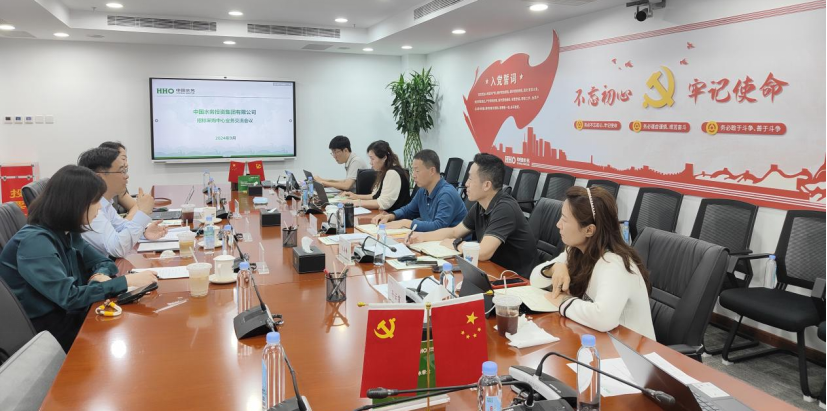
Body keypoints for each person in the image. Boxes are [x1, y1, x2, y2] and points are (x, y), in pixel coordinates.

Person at [0, 165, 159, 352]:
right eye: (95, 201)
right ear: (75, 204)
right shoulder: (35, 242)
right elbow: (69, 297)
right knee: (135, 338)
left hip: (71, 316)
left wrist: (98, 275)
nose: (99, 207)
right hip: (50, 333)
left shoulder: (68, 232)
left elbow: (105, 263)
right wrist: (126, 282)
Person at [529, 186, 655, 340]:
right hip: (600, 340)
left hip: (631, 349)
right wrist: (555, 268)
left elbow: (603, 318)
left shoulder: (614, 263)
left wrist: (562, 300)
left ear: (589, 230)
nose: (558, 224)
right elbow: (535, 279)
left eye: (565, 219)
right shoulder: (575, 250)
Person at [408, 153, 537, 277]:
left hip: (516, 279)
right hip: (492, 271)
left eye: (470, 178)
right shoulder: (480, 205)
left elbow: (483, 252)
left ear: (486, 185)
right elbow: (454, 232)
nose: (466, 184)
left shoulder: (505, 208)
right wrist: (422, 237)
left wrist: (456, 244)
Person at [78, 147, 167, 258]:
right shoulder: (90, 209)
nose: (126, 176)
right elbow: (117, 248)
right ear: (100, 177)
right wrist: (143, 212)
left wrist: (143, 233)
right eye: (122, 171)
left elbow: (121, 228)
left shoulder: (105, 203)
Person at [372, 149, 466, 231]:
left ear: (432, 171)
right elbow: (408, 210)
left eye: (417, 171)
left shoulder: (446, 194)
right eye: (413, 170)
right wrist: (390, 216)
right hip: (433, 241)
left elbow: (439, 226)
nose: (413, 175)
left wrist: (407, 223)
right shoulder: (423, 190)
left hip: (454, 243)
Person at [340, 140, 411, 212]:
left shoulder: (392, 173)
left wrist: (355, 202)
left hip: (396, 216)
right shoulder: (384, 171)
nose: (370, 162)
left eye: (372, 158)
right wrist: (355, 196)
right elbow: (375, 195)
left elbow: (383, 203)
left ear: (384, 158)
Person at [99, 141, 136, 215]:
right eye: (123, 159)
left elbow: (135, 206)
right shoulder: (95, 197)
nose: (126, 164)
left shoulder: (117, 185)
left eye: (126, 159)